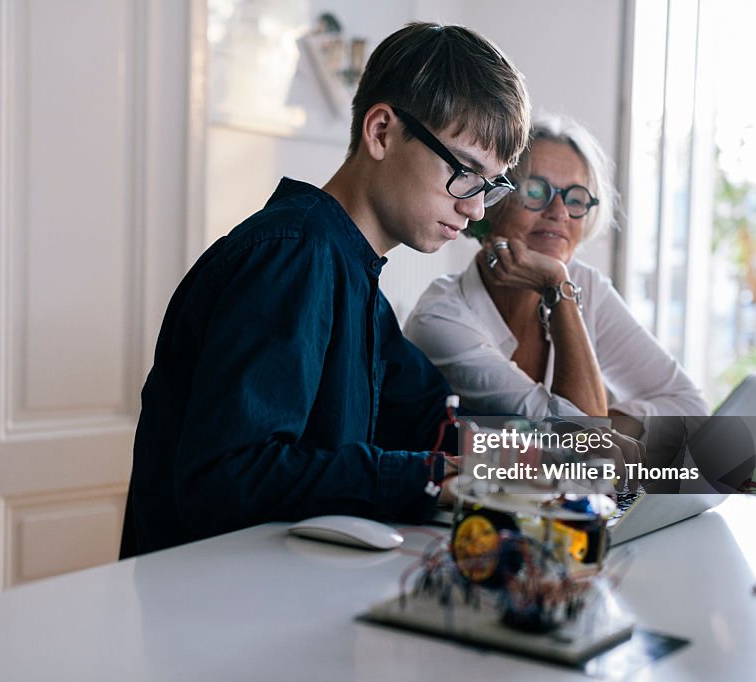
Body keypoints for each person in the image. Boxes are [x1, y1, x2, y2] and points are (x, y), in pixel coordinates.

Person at [124, 23, 531, 555]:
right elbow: (229, 474)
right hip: (205, 611)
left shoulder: (354, 275)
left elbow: (432, 422)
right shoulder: (294, 254)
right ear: (381, 131)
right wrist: (427, 478)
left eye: (490, 186)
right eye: (464, 171)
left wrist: (588, 458)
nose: (476, 208)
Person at [404, 113, 709, 441]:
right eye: (536, 191)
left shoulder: (586, 285)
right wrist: (558, 290)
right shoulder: (441, 317)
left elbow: (692, 409)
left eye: (575, 198)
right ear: (491, 200)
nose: (560, 212)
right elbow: (582, 441)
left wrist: (607, 427)